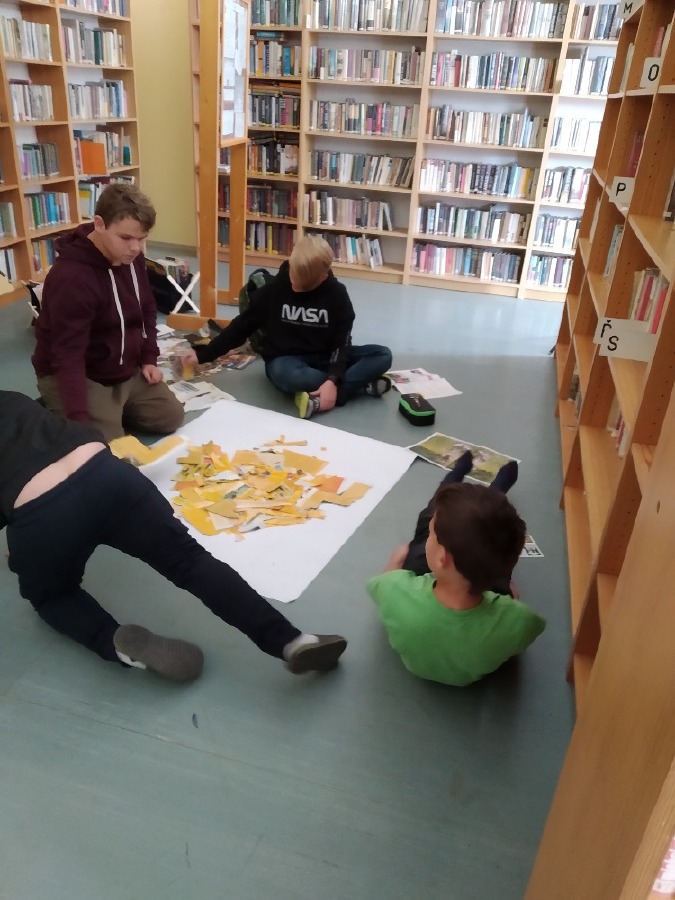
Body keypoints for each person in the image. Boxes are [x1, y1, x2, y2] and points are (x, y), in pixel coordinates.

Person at [1, 391, 347, 682]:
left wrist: (20, 555)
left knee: (53, 595)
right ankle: (292, 640)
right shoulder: (13, 398)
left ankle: (114, 642)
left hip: (42, 513)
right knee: (189, 561)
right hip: (109, 476)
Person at [367, 451, 546, 687]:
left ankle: (458, 473)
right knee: (492, 531)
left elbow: (381, 583)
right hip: (486, 582)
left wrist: (396, 559)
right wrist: (512, 599)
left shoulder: (395, 589)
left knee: (429, 517)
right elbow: (527, 625)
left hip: (426, 578)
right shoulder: (519, 620)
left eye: (433, 535)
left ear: (442, 557)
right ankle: (499, 486)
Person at [32, 183, 184, 443]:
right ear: (99, 224)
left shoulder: (131, 257)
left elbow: (147, 307)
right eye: (126, 238)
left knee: (170, 416)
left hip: (123, 369)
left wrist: (148, 358)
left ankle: (110, 411)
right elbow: (67, 356)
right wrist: (79, 421)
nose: (136, 248)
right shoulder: (71, 278)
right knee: (102, 445)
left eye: (142, 238)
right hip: (78, 373)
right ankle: (58, 408)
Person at [182, 235, 393, 419]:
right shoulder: (273, 290)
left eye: (303, 286)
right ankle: (353, 387)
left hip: (327, 357)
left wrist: (333, 378)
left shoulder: (337, 294)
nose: (295, 287)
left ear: (323, 277)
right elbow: (241, 327)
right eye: (293, 279)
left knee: (382, 355)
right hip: (287, 361)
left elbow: (342, 342)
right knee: (286, 375)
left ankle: (329, 390)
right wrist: (203, 354)